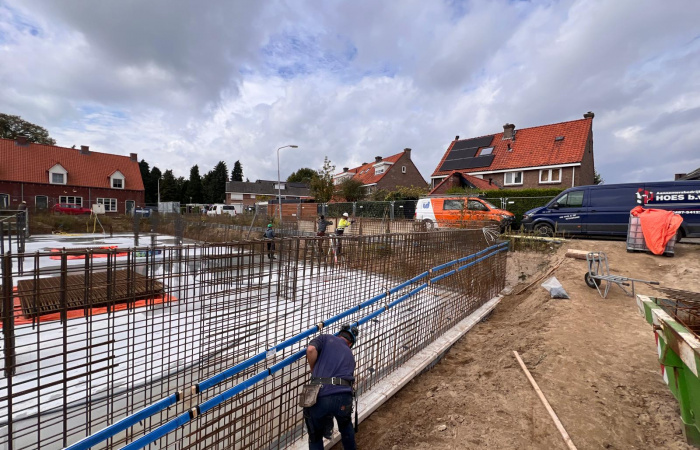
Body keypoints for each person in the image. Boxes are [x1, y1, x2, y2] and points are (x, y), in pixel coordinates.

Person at [304, 325, 358, 450]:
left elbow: (311, 349)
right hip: (344, 396)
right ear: (350, 343)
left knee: (315, 435)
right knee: (345, 427)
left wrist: (313, 368)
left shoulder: (326, 338)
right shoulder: (350, 355)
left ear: (339, 334)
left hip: (320, 394)